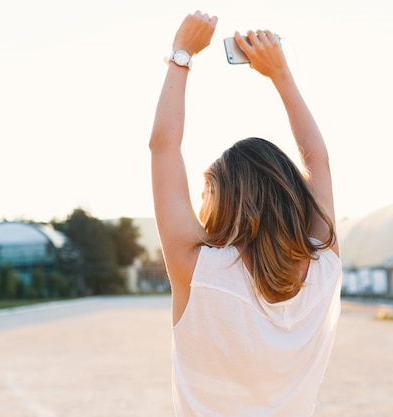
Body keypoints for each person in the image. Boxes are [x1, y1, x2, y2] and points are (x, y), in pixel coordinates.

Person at [149, 10, 342, 417]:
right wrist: (280, 74)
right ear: (292, 193)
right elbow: (317, 158)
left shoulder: (199, 270)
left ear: (221, 200)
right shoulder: (325, 266)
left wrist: (181, 54)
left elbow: (164, 146)